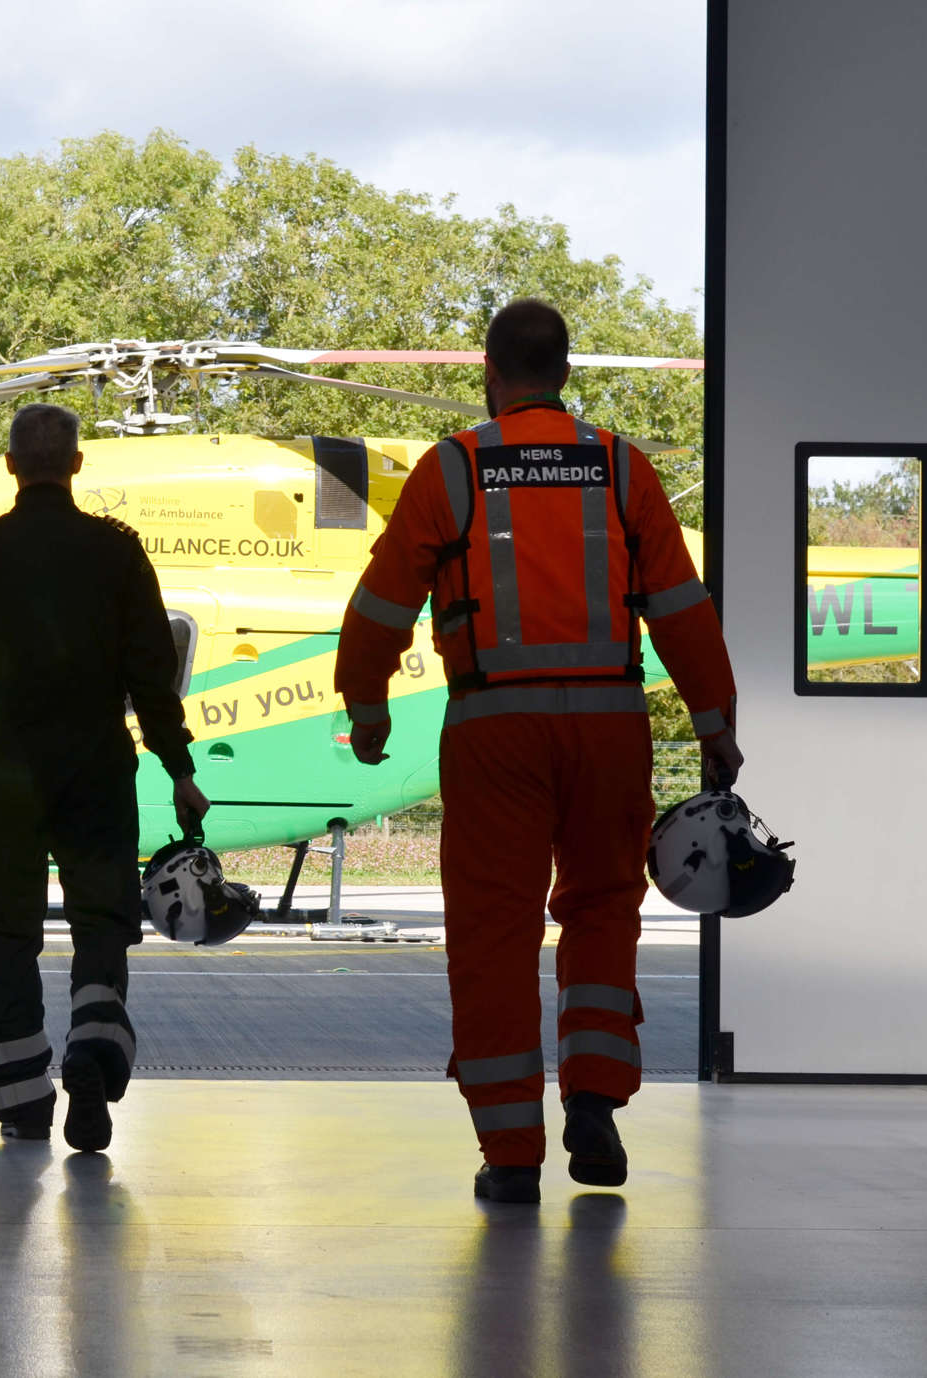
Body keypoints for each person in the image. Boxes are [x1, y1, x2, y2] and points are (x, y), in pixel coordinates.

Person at [335, 299, 742, 1204]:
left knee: (495, 930)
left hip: (495, 728)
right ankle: (594, 1101)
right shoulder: (620, 469)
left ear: (491, 371)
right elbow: (681, 608)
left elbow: (381, 604)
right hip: (610, 722)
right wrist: (714, 720)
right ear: (564, 373)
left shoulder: (453, 469)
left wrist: (367, 706)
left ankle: (511, 1149)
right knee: (603, 910)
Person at [0, 402, 209, 1153]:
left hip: (8, 772)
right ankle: (90, 1055)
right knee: (101, 923)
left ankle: (23, 1099)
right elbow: (153, 675)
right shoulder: (116, 551)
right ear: (78, 465)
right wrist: (179, 768)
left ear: (12, 465)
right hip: (96, 766)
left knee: (5, 929)